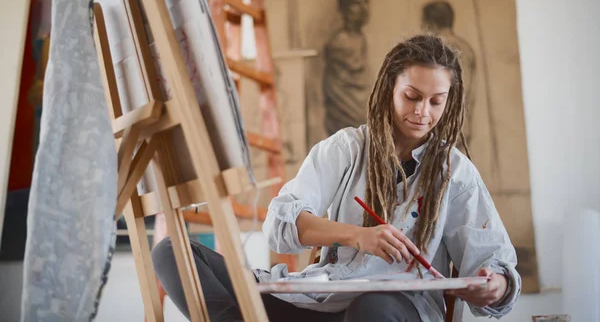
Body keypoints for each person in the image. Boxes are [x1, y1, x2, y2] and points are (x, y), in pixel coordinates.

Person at [151, 35, 521, 322]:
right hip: (321, 300)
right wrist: (358, 235)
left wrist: (493, 285)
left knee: (371, 308)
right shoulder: (346, 148)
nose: (422, 112)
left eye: (436, 101)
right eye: (411, 96)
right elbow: (281, 225)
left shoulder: (456, 173)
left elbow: (497, 268)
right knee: (171, 252)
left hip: (394, 312)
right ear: (390, 89)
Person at [422, 0, 477, 148]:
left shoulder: (436, 47)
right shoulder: (466, 47)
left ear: (430, 22)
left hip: (440, 123)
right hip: (462, 122)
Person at [322, 0, 372, 136]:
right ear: (344, 9)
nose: (364, 9)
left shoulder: (360, 37)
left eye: (366, 2)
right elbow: (342, 89)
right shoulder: (340, 42)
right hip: (344, 111)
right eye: (356, 3)